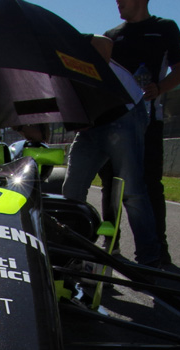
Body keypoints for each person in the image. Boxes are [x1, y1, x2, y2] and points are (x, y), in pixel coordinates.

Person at [104, 0, 180, 265]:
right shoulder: (111, 36)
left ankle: (156, 250)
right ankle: (110, 246)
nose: (118, 0)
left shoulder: (165, 28)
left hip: (149, 122)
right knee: (112, 184)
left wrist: (159, 87)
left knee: (150, 185)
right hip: (113, 125)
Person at [62, 34, 159, 265]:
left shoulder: (59, 40)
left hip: (123, 112)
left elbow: (104, 44)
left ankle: (150, 262)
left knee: (132, 191)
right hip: (92, 124)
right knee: (71, 189)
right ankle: (71, 254)